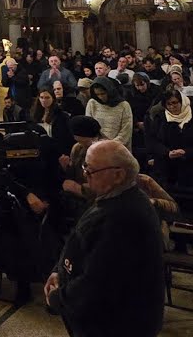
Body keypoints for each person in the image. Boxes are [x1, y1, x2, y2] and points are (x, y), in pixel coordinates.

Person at [44, 140, 165, 337]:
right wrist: (59, 270)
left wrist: (58, 298)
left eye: (90, 170)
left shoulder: (123, 218)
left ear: (118, 175)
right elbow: (79, 243)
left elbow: (98, 285)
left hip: (116, 325)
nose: (85, 175)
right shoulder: (113, 197)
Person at [144, 92, 193, 193]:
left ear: (182, 102)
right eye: (168, 104)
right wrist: (167, 152)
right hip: (167, 166)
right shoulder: (160, 119)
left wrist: (186, 152)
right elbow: (152, 141)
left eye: (175, 103)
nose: (172, 107)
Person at [85, 76, 132, 146]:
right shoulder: (92, 103)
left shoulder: (123, 105)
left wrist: (111, 144)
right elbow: (89, 126)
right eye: (97, 94)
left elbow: (126, 130)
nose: (100, 97)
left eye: (103, 93)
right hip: (98, 146)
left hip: (119, 147)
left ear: (109, 91)